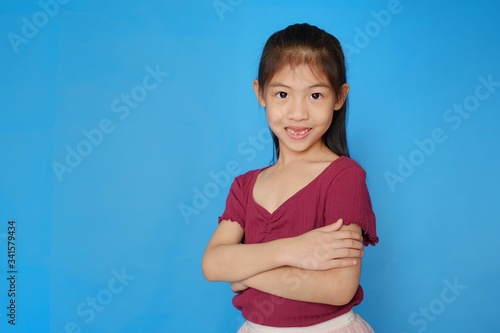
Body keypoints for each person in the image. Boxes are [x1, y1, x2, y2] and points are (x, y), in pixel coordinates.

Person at [202, 23, 379, 333]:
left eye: (315, 95)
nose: (298, 113)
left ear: (339, 97)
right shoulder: (245, 186)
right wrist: (293, 249)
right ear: (260, 93)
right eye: (282, 94)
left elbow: (339, 288)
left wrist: (244, 273)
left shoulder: (344, 177)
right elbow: (212, 264)